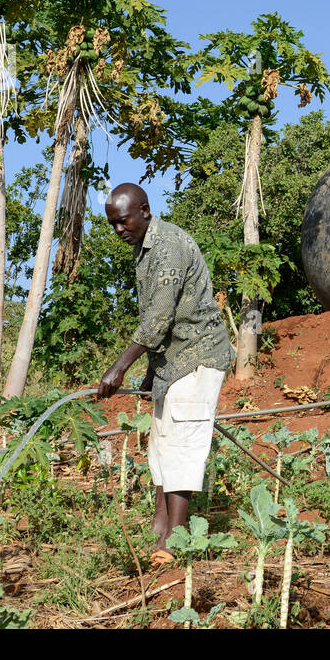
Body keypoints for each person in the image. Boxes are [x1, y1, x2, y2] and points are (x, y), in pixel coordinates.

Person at [97, 183, 234, 565]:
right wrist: (148, 372)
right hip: (170, 362)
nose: (119, 230)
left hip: (198, 356)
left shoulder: (169, 246)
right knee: (160, 444)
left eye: (123, 221)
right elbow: (158, 322)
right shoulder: (144, 249)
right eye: (113, 225)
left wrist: (119, 368)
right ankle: (160, 525)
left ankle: (176, 539)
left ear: (144, 210)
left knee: (182, 445)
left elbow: (158, 320)